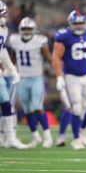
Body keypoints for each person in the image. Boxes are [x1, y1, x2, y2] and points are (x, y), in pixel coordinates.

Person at [52, 10, 86, 150]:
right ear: (70, 23)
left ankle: (82, 129)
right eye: (76, 23)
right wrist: (59, 77)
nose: (78, 26)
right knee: (76, 108)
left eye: (81, 23)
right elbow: (56, 57)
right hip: (71, 77)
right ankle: (76, 139)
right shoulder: (64, 36)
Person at [9, 17, 53, 148]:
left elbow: (49, 57)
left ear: (34, 30)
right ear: (20, 30)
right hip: (22, 78)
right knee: (27, 109)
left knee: (37, 107)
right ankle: (35, 136)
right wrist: (10, 71)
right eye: (24, 29)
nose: (27, 31)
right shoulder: (15, 40)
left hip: (36, 78)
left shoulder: (40, 41)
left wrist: (56, 70)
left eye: (29, 29)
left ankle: (48, 136)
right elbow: (13, 57)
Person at [0, 0, 27, 149]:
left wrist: (11, 69)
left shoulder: (4, 29)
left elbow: (2, 51)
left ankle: (10, 138)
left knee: (5, 101)